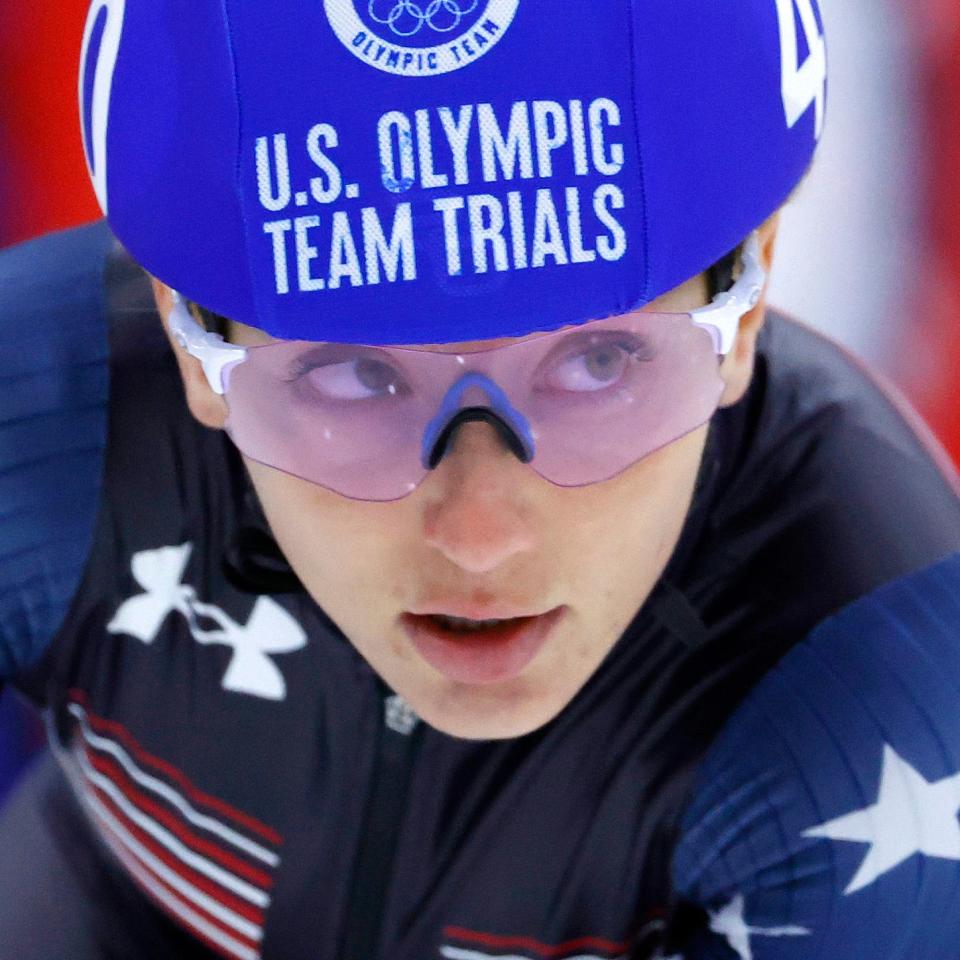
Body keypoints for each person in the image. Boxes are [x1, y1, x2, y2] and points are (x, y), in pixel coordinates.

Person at [2, 1, 960, 957]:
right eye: (355, 372)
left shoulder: (873, 704)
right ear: (184, 334)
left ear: (745, 312)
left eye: (599, 362)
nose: (480, 534)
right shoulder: (51, 419)